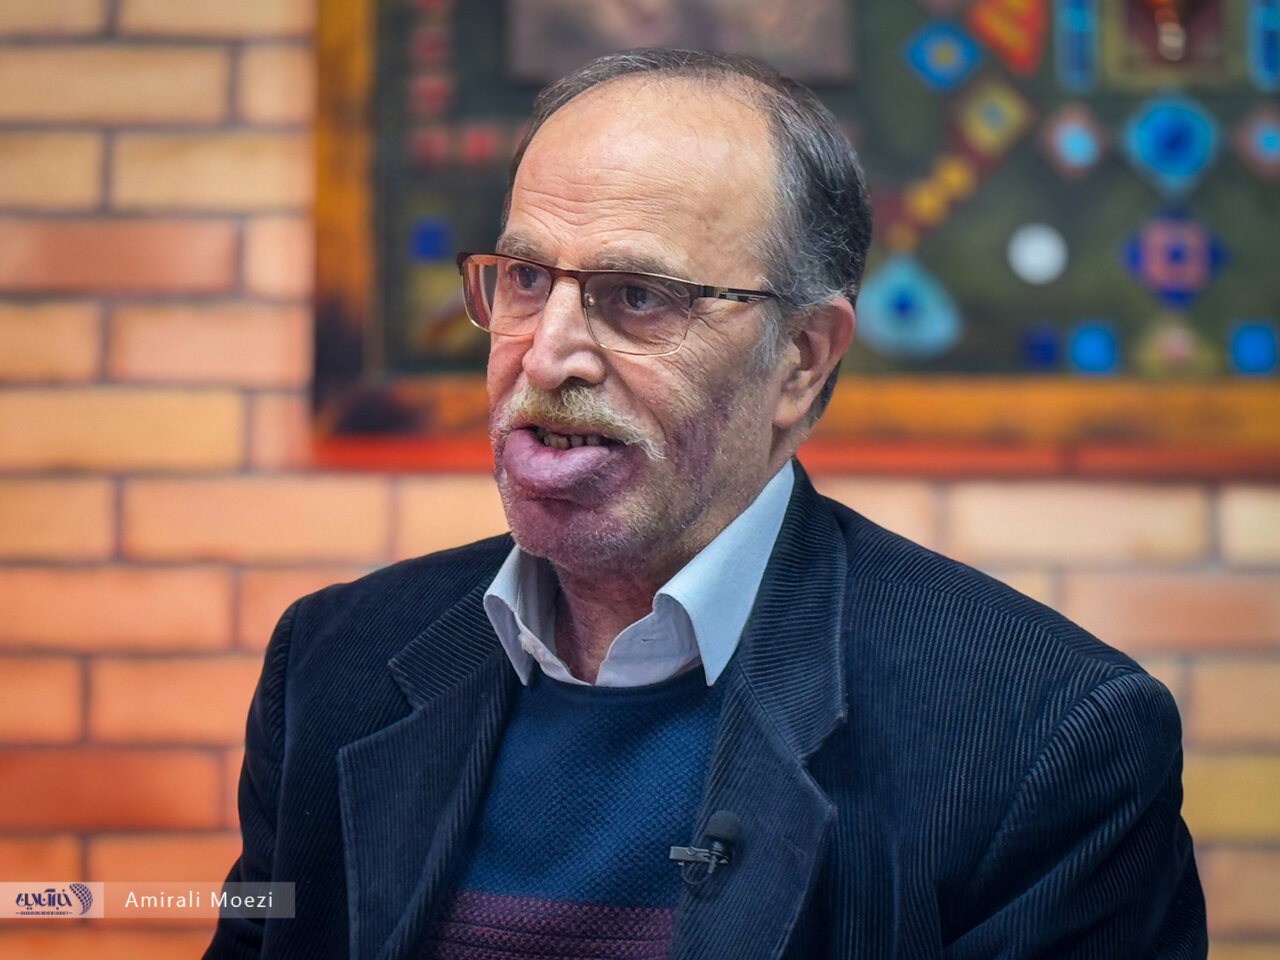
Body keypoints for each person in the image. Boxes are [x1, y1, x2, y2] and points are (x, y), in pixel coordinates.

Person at [207, 48, 1206, 960]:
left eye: (638, 296)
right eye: (525, 280)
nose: (547, 355)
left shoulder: (1043, 736)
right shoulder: (333, 664)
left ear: (800, 360)